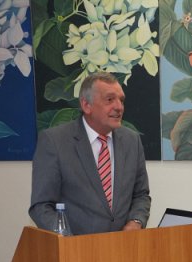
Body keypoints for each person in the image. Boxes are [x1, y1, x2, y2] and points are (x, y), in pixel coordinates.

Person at [29, 71, 151, 235]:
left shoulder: (132, 141)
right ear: (86, 105)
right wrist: (69, 242)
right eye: (110, 99)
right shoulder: (55, 142)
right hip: (75, 247)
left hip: (123, 247)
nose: (119, 107)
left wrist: (136, 222)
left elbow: (141, 195)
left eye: (121, 100)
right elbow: (41, 206)